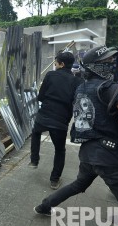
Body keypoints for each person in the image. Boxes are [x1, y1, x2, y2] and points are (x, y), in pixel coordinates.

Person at [34, 46, 118, 226]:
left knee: (79, 184)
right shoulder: (111, 89)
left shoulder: (82, 88)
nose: (112, 66)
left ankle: (45, 206)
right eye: (108, 63)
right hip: (111, 157)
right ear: (100, 67)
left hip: (88, 152)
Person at [29, 51, 83, 190]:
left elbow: (40, 96)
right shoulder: (77, 81)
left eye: (56, 62)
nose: (55, 64)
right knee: (60, 150)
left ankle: (34, 160)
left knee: (35, 132)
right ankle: (54, 180)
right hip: (61, 120)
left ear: (62, 64)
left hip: (45, 115)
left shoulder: (50, 75)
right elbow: (77, 102)